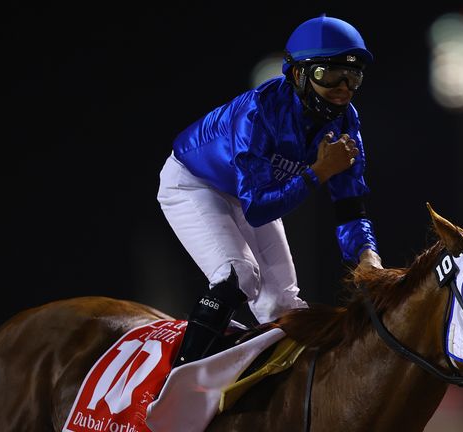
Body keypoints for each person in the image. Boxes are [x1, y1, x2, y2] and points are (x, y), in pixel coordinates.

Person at [157, 14, 383, 368]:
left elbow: (350, 208)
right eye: (328, 74)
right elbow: (258, 209)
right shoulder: (257, 113)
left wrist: (367, 256)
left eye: (352, 76)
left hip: (252, 192)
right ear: (298, 74)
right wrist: (318, 171)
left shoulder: (347, 125)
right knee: (238, 275)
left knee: (282, 305)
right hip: (194, 182)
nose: (343, 88)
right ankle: (178, 376)